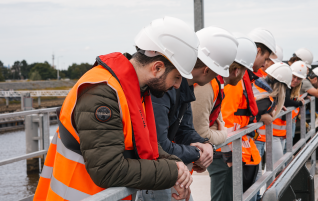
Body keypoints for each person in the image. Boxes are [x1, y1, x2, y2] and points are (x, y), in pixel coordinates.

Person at [33, 17, 196, 201]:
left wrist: (175, 164)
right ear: (157, 68)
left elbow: (143, 144)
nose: (177, 86)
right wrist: (171, 172)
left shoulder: (131, 90)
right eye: (176, 77)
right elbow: (107, 170)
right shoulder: (103, 93)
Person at [137, 26, 238, 201]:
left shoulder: (183, 87)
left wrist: (206, 145)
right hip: (155, 178)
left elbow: (185, 129)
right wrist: (198, 153)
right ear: (207, 70)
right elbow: (159, 144)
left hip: (169, 171)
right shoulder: (163, 88)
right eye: (216, 73)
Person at [191, 34, 257, 201]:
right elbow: (200, 131)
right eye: (244, 72)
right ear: (236, 71)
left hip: (212, 152)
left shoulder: (216, 85)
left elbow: (216, 123)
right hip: (214, 153)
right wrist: (222, 136)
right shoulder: (209, 86)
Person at [212, 28, 275, 201]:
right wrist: (229, 155)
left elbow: (237, 115)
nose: (264, 64)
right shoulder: (235, 80)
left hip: (235, 153)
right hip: (228, 156)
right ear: (258, 51)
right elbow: (225, 120)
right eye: (265, 58)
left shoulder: (242, 78)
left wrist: (257, 118)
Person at [251, 63, 293, 200]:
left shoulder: (259, 87)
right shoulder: (265, 99)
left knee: (257, 176)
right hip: (254, 139)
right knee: (255, 177)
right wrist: (262, 116)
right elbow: (248, 113)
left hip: (257, 138)